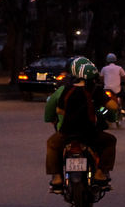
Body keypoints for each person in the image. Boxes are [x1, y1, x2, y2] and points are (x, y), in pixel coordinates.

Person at [45, 57, 118, 192]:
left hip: (67, 134)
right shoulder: (95, 90)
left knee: (52, 144)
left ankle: (56, 178)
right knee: (110, 141)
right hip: (89, 134)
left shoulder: (67, 90)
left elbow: (59, 110)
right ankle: (100, 173)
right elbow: (112, 106)